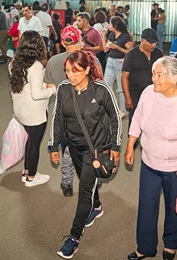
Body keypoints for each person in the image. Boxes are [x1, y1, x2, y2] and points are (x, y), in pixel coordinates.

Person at [125, 56, 177, 260]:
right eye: (153, 73)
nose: (154, 78)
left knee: (175, 208)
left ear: (174, 78)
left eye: (159, 75)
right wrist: (130, 145)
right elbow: (136, 118)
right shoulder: (148, 93)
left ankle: (170, 244)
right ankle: (145, 247)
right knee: (146, 207)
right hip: (149, 164)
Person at [49, 50, 121, 259]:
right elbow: (57, 118)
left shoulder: (100, 89)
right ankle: (97, 207)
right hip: (74, 148)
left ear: (88, 69)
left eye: (76, 71)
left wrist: (115, 147)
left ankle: (74, 237)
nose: (70, 75)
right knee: (87, 184)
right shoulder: (63, 89)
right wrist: (55, 146)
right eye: (67, 71)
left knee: (84, 191)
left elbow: (115, 118)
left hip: (96, 150)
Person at [45, 26, 103, 198]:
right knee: (92, 147)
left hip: (65, 112)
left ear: (62, 42)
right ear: (80, 40)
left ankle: (67, 183)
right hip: (89, 111)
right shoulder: (90, 59)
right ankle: (95, 178)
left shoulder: (53, 61)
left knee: (68, 150)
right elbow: (99, 85)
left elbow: (50, 88)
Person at [10, 31, 56, 187]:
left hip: (20, 110)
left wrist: (44, 86)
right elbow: (37, 95)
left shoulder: (13, 62)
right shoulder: (35, 66)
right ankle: (31, 177)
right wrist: (52, 90)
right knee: (34, 144)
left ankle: (26, 171)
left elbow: (26, 87)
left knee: (29, 141)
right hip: (34, 112)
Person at [122, 28, 164, 128]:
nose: (153, 45)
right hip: (136, 94)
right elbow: (124, 77)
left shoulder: (159, 53)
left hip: (155, 92)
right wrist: (128, 98)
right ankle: (133, 142)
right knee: (135, 120)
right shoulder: (131, 55)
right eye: (150, 42)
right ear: (142, 40)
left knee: (154, 119)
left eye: (155, 42)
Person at [102, 16, 134, 119]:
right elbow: (105, 50)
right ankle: (110, 108)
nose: (109, 25)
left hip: (121, 62)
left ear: (115, 26)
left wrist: (118, 48)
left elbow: (130, 52)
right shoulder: (111, 34)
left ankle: (122, 110)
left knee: (121, 88)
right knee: (106, 85)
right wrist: (103, 36)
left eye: (110, 24)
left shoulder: (126, 37)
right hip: (110, 61)